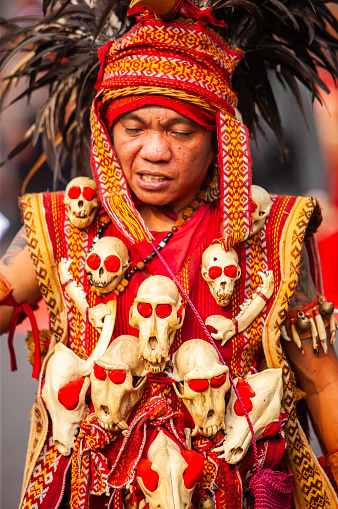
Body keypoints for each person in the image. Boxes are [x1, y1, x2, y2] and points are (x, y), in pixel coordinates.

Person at [1, 0, 338, 508]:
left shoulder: (268, 233)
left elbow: (321, 380)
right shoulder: (65, 225)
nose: (155, 151)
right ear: (107, 133)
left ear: (219, 138)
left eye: (181, 132)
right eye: (134, 129)